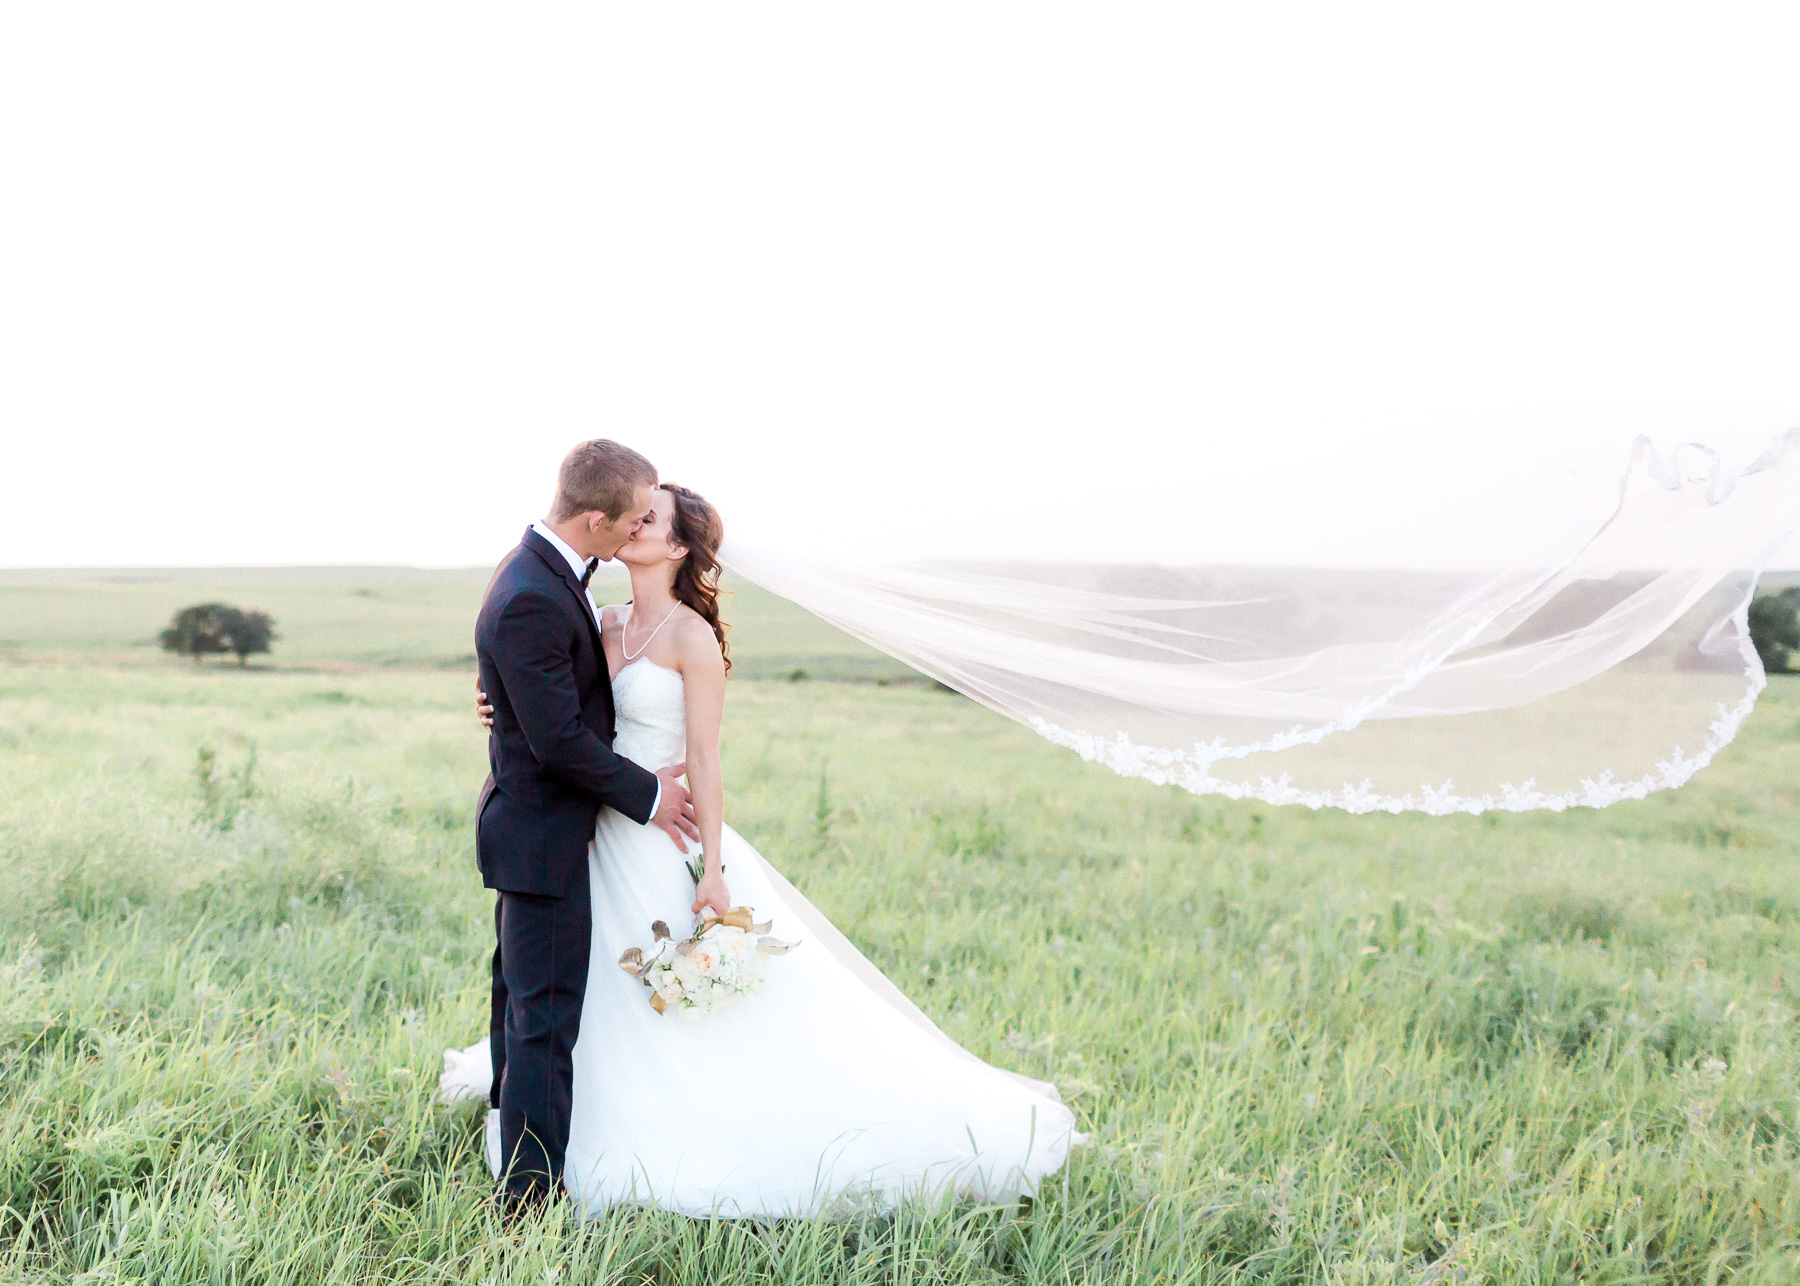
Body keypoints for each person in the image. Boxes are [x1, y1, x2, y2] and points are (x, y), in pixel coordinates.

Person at [444, 474, 1081, 1218]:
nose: (631, 527)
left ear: (679, 545)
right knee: (579, 999)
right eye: (630, 516)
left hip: (660, 837)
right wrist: (494, 700)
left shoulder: (692, 638)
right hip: (586, 837)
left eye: (648, 520)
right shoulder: (598, 617)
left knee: (672, 1010)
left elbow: (706, 760)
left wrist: (712, 869)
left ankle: (671, 1141)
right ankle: (556, 1144)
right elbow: (548, 699)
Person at [471, 440, 699, 1216]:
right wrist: (650, 797)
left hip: (552, 832)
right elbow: (560, 740)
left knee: (524, 1003)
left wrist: (500, 698)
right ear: (597, 518)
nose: (637, 526)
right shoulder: (537, 588)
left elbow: (543, 691)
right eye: (632, 516)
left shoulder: (547, 572)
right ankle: (527, 1203)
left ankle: (514, 1154)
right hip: (547, 835)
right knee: (542, 1020)